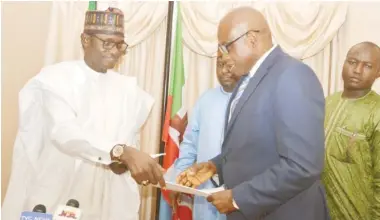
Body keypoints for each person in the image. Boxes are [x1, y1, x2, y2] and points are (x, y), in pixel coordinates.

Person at [2, 7, 165, 220]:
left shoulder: (128, 91)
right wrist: (120, 152)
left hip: (103, 201)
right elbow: (65, 133)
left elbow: (124, 143)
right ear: (85, 40)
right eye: (106, 42)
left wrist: (124, 164)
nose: (115, 51)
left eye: (119, 44)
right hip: (54, 194)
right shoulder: (55, 79)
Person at [177, 7, 329, 220]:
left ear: (251, 39)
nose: (223, 56)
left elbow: (303, 165)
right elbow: (255, 147)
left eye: (226, 47)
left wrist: (238, 197)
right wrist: (215, 165)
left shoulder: (292, 76)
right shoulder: (247, 81)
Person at [170, 60, 239, 220]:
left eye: (229, 65)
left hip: (235, 196)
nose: (223, 71)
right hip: (204, 193)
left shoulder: (252, 101)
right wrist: (178, 179)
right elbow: (190, 144)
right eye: (219, 65)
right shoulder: (206, 99)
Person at [322, 42, 380, 220]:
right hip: (318, 208)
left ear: (378, 73)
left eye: (367, 66)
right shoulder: (327, 102)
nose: (357, 70)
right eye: (352, 62)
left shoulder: (376, 113)